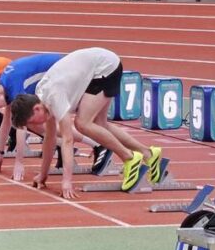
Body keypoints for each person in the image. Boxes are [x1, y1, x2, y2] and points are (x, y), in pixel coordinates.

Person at [10, 48, 163, 199]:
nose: (34, 127)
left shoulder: (54, 96)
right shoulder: (42, 97)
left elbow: (68, 140)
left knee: (82, 123)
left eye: (31, 122)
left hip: (105, 67)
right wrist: (43, 175)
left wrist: (67, 181)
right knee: (100, 124)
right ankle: (148, 153)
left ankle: (129, 158)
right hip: (100, 65)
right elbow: (49, 140)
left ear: (36, 109)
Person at [0, 53, 108, 181]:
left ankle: (98, 144)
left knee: (40, 122)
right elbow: (6, 122)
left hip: (65, 73)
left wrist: (19, 162)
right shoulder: (4, 85)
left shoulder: (13, 87)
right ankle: (82, 144)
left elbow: (21, 127)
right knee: (41, 123)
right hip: (54, 73)